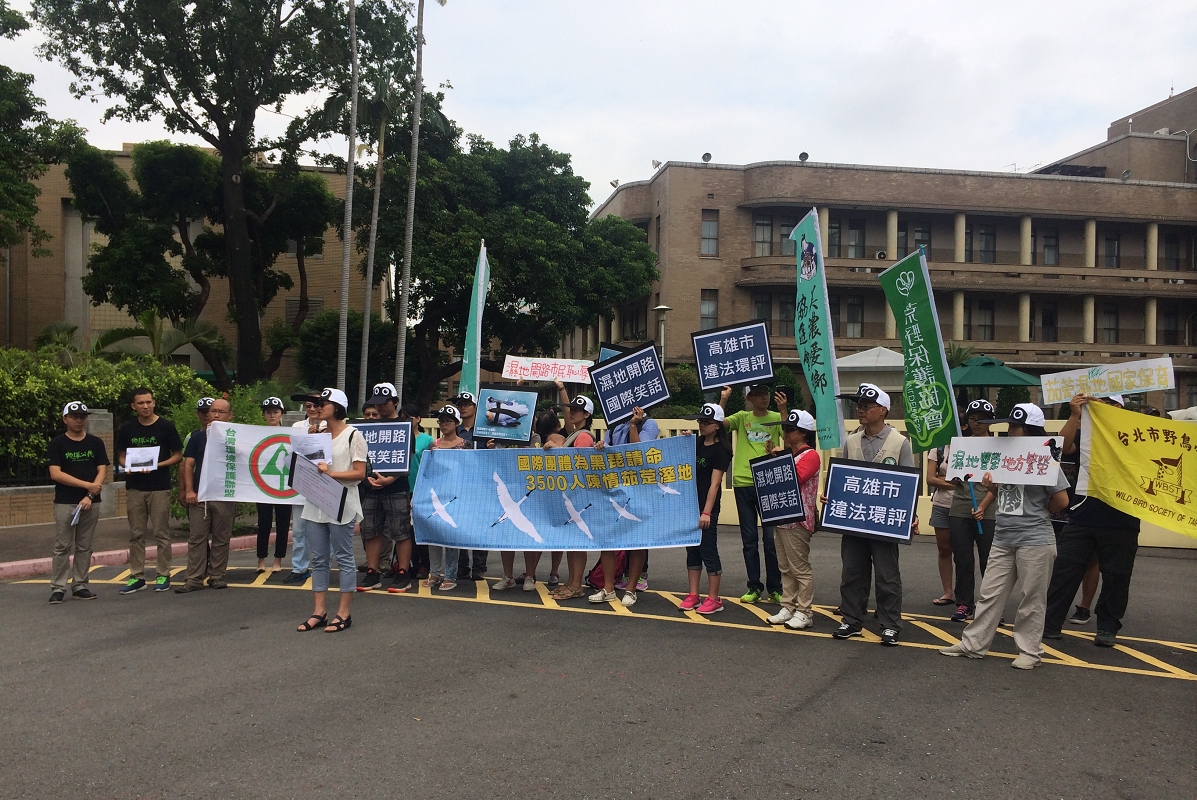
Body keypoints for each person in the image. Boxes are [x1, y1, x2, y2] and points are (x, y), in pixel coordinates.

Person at [941, 403, 1071, 668]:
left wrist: (1038, 512)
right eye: (1010, 426)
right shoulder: (1004, 456)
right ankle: (973, 644)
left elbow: (1062, 500)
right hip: (1003, 535)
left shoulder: (1044, 457)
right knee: (990, 593)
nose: (1010, 432)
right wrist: (992, 488)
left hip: (1035, 538)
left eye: (1015, 427)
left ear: (1030, 430)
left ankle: (1030, 652)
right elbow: (1004, 493)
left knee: (1031, 597)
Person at [1042, 393, 1141, 647]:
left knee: (1117, 577)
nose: (1098, 406)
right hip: (1083, 516)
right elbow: (1061, 449)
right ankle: (1050, 623)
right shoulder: (1086, 435)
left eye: (1105, 402)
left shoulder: (1136, 436)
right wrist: (1074, 414)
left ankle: (1107, 627)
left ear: (1118, 407)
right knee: (1065, 571)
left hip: (1123, 519)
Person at [831, 383, 915, 646]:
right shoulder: (852, 440)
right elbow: (843, 479)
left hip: (883, 521)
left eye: (867, 406)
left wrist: (910, 515)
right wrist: (832, 496)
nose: (860, 410)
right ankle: (851, 620)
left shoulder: (900, 443)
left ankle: (890, 625)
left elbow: (908, 485)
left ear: (883, 410)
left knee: (887, 575)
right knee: (852, 572)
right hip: (855, 518)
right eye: (859, 406)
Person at [291, 388, 368, 633]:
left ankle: (344, 613)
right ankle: (319, 611)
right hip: (316, 500)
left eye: (324, 403)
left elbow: (360, 473)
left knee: (344, 557)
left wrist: (332, 474)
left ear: (337, 407)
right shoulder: (317, 434)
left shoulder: (353, 435)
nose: (318, 407)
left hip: (341, 500)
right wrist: (308, 444)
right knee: (319, 558)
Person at [718, 383, 788, 604]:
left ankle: (775, 588)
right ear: (749, 398)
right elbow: (718, 425)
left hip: (768, 482)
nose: (763, 397)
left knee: (770, 540)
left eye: (765, 393)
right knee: (749, 539)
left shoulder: (776, 417)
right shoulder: (742, 417)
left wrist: (783, 409)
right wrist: (724, 399)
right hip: (743, 481)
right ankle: (754, 586)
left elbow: (789, 436)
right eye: (757, 394)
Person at [113, 387, 184, 594]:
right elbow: (121, 456)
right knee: (136, 534)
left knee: (161, 532)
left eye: (148, 402)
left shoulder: (166, 426)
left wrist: (158, 465)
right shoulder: (128, 429)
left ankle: (163, 574)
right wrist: (128, 466)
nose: (145, 406)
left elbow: (178, 455)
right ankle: (137, 576)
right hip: (135, 487)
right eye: (140, 403)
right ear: (133, 406)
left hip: (159, 487)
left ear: (154, 403)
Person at [588, 405, 654, 606]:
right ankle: (608, 588)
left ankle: (631, 589)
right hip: (614, 489)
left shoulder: (649, 424)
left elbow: (639, 452)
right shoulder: (614, 425)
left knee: (636, 541)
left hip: (639, 490)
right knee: (608, 539)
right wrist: (601, 445)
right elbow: (607, 452)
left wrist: (634, 425)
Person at [47, 402, 109, 604]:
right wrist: (87, 486)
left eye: (82, 416)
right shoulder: (57, 444)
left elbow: (102, 470)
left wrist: (90, 495)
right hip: (65, 502)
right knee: (62, 546)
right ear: (65, 419)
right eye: (74, 417)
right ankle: (58, 587)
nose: (79, 420)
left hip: (91, 502)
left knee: (84, 546)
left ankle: (80, 585)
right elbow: (56, 474)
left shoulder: (95, 443)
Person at [357, 382, 415, 593]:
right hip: (371, 487)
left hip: (397, 488)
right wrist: (367, 478)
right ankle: (372, 572)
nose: (380, 407)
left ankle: (403, 572)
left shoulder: (404, 426)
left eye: (385, 402)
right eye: (377, 403)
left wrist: (390, 479)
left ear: (395, 402)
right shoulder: (366, 428)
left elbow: (407, 457)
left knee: (401, 531)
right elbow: (358, 456)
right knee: (371, 531)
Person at [765, 409, 820, 630]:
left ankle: (805, 611)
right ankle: (788, 606)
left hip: (798, 519)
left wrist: (778, 460)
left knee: (800, 568)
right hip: (782, 515)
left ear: (804, 432)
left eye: (791, 429)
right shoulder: (791, 454)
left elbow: (794, 478)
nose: (786, 432)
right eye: (785, 428)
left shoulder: (810, 455)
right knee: (785, 567)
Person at [175, 398, 237, 593]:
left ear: (230, 416)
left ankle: (216, 575)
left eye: (221, 412)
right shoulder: (198, 437)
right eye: (213, 411)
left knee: (221, 537)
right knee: (197, 538)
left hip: (224, 495)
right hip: (200, 495)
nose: (216, 415)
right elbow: (188, 464)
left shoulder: (236, 438)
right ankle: (194, 578)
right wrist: (189, 490)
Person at [676, 403, 732, 615]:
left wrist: (706, 512)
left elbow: (715, 484)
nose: (702, 425)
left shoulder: (721, 450)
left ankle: (714, 598)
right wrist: (684, 439)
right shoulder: (696, 443)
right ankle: (693, 594)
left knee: (708, 550)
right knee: (692, 550)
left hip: (707, 508)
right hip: (690, 505)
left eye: (706, 422)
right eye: (700, 421)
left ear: (717, 425)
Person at [947, 399, 998, 623]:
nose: (977, 423)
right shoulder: (960, 444)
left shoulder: (998, 446)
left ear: (991, 422)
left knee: (990, 561)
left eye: (982, 420)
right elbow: (951, 478)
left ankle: (992, 606)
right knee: (963, 559)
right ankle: (964, 604)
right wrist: (955, 473)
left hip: (988, 509)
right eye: (973, 419)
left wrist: (983, 506)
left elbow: (999, 484)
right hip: (960, 507)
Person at [550, 394, 597, 601]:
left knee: (577, 542)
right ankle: (572, 583)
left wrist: (557, 449)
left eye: (577, 410)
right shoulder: (576, 434)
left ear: (587, 414)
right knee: (572, 542)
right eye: (571, 409)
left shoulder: (584, 437)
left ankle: (576, 585)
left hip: (578, 495)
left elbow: (579, 465)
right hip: (572, 494)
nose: (572, 412)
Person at [283, 400, 327, 586]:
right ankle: (299, 568)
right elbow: (292, 454)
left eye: (316, 405)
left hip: (325, 485)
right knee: (299, 530)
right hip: (303, 485)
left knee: (326, 529)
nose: (312, 409)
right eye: (308, 406)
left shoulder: (331, 426)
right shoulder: (297, 427)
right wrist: (307, 439)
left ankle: (324, 566)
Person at [424, 405, 467, 591]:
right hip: (435, 494)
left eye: (448, 421)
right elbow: (426, 472)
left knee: (450, 536)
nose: (444, 424)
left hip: (455, 496)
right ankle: (434, 573)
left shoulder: (465, 445)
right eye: (441, 421)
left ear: (457, 423)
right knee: (433, 534)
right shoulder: (433, 445)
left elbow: (470, 470)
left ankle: (450, 575)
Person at [450, 390, 489, 580]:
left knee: (480, 524)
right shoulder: (455, 430)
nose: (463, 407)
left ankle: (479, 566)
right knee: (460, 524)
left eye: (466, 404)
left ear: (475, 407)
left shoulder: (485, 429)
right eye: (460, 405)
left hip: (481, 483)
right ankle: (462, 565)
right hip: (459, 484)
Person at [398, 404, 436, 585]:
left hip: (419, 488)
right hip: (401, 486)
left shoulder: (427, 439)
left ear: (418, 419)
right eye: (403, 416)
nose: (407, 420)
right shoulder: (397, 437)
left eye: (410, 416)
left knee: (420, 528)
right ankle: (408, 563)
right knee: (403, 529)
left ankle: (425, 564)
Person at [255, 397, 292, 573]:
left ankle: (278, 560)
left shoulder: (290, 434)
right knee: (263, 523)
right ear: (263, 414)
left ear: (281, 414)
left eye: (275, 412)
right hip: (263, 486)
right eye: (268, 412)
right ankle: (260, 559)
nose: (272, 415)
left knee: (283, 524)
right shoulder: (256, 435)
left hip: (284, 487)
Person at [925, 440, 956, 606]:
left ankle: (965, 595)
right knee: (944, 549)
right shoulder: (938, 448)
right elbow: (930, 479)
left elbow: (970, 481)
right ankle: (948, 592)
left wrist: (943, 480)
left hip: (963, 505)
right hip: (941, 504)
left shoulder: (970, 445)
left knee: (964, 553)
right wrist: (952, 484)